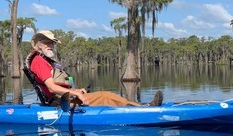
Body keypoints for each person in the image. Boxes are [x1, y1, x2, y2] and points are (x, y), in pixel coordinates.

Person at [25, 30, 163, 107]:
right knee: (105, 96)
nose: (51, 45)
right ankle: (142, 109)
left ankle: (138, 106)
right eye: (47, 43)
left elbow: (57, 86)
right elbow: (52, 88)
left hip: (63, 99)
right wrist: (77, 94)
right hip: (59, 103)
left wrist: (76, 90)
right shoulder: (39, 61)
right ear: (39, 45)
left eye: (52, 43)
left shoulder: (44, 60)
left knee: (105, 96)